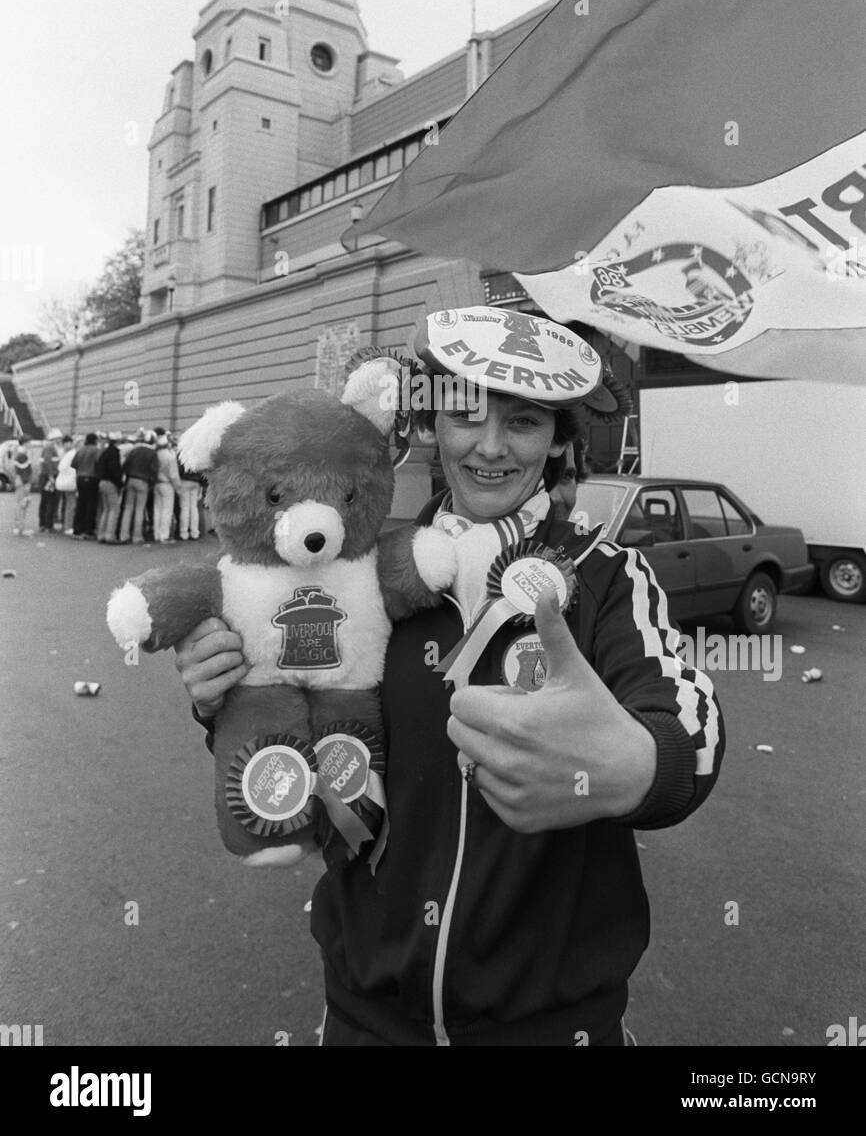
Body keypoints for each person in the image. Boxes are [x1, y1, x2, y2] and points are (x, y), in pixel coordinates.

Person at [174, 309, 724, 1047]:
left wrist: (636, 764)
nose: (491, 446)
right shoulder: (361, 572)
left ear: (561, 440)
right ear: (434, 425)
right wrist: (227, 698)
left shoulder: (606, 576)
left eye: (525, 422)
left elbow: (693, 724)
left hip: (555, 1027)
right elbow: (302, 730)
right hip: (367, 1016)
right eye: (468, 416)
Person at [118, 431, 158, 544]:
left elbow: (125, 465)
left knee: (128, 508)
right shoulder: (152, 453)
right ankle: (137, 536)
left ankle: (123, 535)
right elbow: (154, 471)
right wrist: (151, 483)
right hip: (143, 482)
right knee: (139, 509)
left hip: (131, 479)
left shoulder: (134, 450)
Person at [95, 432, 124, 543]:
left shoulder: (105, 452)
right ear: (118, 441)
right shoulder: (114, 453)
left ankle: (101, 534)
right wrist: (120, 483)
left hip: (102, 482)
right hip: (111, 483)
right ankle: (110, 536)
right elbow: (115, 470)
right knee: (114, 510)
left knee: (106, 509)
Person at [71, 433, 101, 538]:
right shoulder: (96, 450)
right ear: (95, 440)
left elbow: (73, 464)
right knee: (91, 505)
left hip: (80, 478)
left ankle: (77, 529)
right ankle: (89, 530)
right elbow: (99, 463)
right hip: (92, 478)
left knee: (81, 504)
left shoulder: (80, 450)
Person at [153, 432, 182, 542]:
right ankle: (164, 536)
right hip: (167, 485)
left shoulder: (156, 454)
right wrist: (178, 488)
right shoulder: (170, 456)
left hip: (157, 484)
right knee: (167, 510)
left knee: (157, 510)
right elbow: (174, 475)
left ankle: (157, 534)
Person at [37, 429, 63, 532]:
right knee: (50, 501)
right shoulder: (50, 448)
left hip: (46, 477)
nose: (60, 440)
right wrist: (51, 477)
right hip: (49, 477)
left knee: (45, 501)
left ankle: (43, 524)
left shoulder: (49, 448)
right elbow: (48, 462)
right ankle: (48, 525)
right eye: (58, 439)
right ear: (54, 439)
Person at [177, 452, 205, 540]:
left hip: (185, 481)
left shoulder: (183, 454)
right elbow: (202, 472)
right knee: (194, 508)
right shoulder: (198, 455)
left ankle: (184, 533)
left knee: (185, 508)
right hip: (196, 483)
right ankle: (194, 533)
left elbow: (179, 469)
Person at [11, 439, 34, 535]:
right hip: (23, 482)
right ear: (25, 443)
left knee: (19, 504)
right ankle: (21, 528)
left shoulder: (18, 453)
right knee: (22, 504)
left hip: (19, 481)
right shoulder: (22, 455)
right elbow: (24, 471)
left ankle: (18, 527)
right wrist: (26, 485)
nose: (30, 444)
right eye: (29, 442)